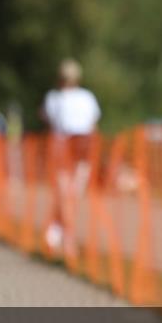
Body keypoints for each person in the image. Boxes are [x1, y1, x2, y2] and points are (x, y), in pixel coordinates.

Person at [42, 58, 101, 261]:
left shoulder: (74, 97)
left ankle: (55, 231)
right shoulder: (57, 98)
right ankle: (68, 239)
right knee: (68, 195)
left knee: (71, 195)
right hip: (69, 146)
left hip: (76, 146)